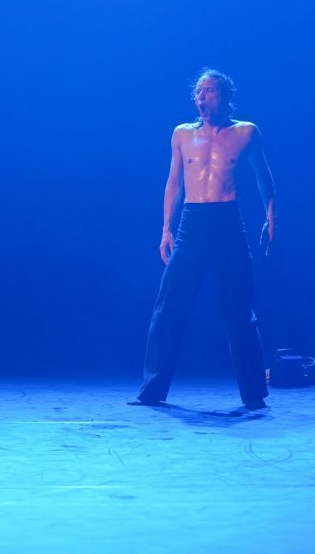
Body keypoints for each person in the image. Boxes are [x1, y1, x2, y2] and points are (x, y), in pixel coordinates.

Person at [131, 69, 276, 410]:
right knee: (168, 307)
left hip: (228, 222)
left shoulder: (246, 132)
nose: (201, 97)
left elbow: (263, 176)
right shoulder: (182, 134)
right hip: (192, 223)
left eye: (208, 91)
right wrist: (165, 229)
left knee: (239, 310)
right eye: (198, 92)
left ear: (224, 97)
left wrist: (271, 217)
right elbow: (174, 183)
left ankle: (254, 394)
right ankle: (152, 390)